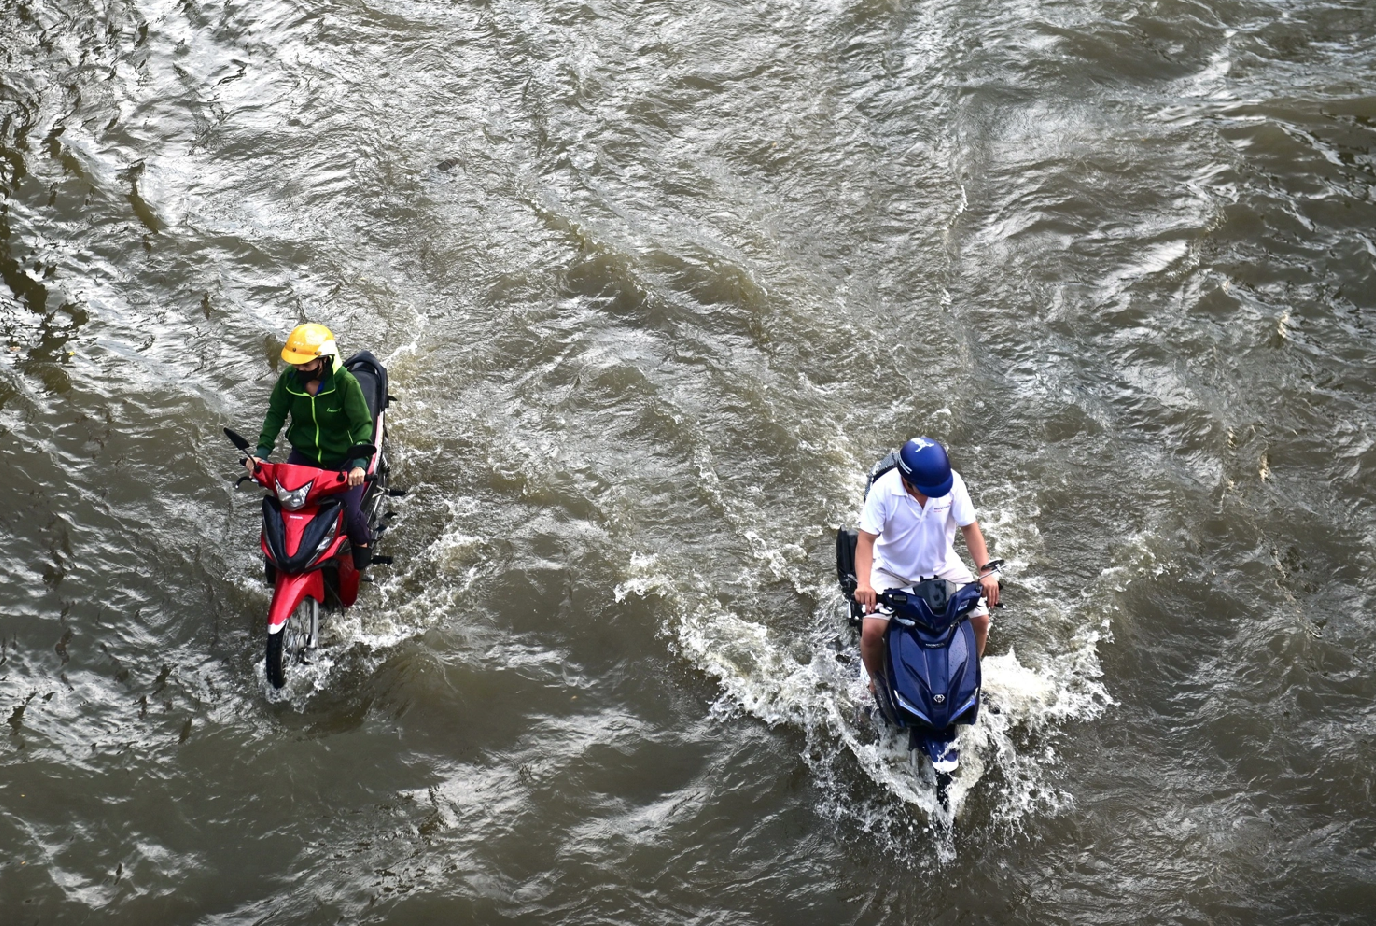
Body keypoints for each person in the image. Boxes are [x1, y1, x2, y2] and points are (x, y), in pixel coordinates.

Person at [853, 437, 1000, 690]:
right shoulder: (883, 491)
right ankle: (876, 684)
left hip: (943, 566)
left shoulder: (952, 484)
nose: (937, 493)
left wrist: (986, 572)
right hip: (892, 571)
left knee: (981, 620)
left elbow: (970, 528)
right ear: (907, 483)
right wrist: (864, 584)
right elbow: (866, 541)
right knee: (871, 631)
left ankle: (968, 675)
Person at [245, 323, 375, 570]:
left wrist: (359, 464)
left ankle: (363, 544)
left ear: (323, 360)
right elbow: (275, 415)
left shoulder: (345, 384)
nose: (300, 369)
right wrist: (260, 454)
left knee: (351, 510)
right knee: (287, 506)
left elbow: (362, 425)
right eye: (297, 364)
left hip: (342, 459)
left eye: (306, 365)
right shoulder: (289, 380)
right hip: (303, 456)